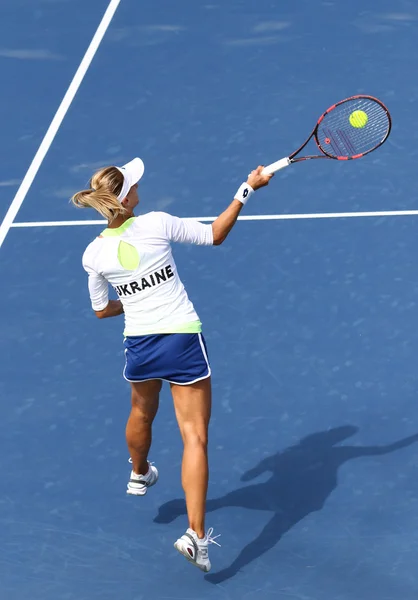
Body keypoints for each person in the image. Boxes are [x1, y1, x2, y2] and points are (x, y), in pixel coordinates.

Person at [72, 157, 272, 572]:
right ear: (127, 197)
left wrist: (133, 295)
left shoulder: (93, 254)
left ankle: (139, 473)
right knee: (194, 437)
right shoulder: (157, 223)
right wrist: (246, 189)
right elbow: (216, 235)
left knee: (141, 411)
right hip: (181, 339)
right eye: (134, 184)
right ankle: (196, 535)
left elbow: (100, 310)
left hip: (141, 343)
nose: (140, 186)